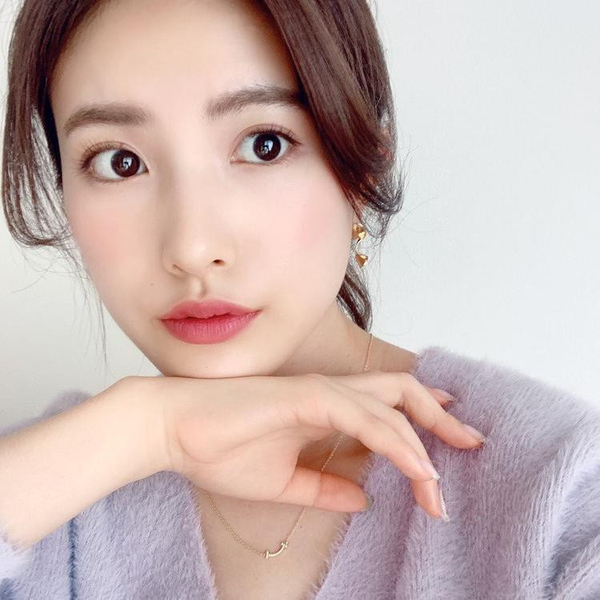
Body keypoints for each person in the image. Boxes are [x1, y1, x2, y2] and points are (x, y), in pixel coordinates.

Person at [0, 1, 598, 599]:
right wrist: (147, 431)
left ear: (361, 168)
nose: (192, 248)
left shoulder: (557, 494)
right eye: (120, 162)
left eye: (264, 144)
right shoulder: (48, 500)